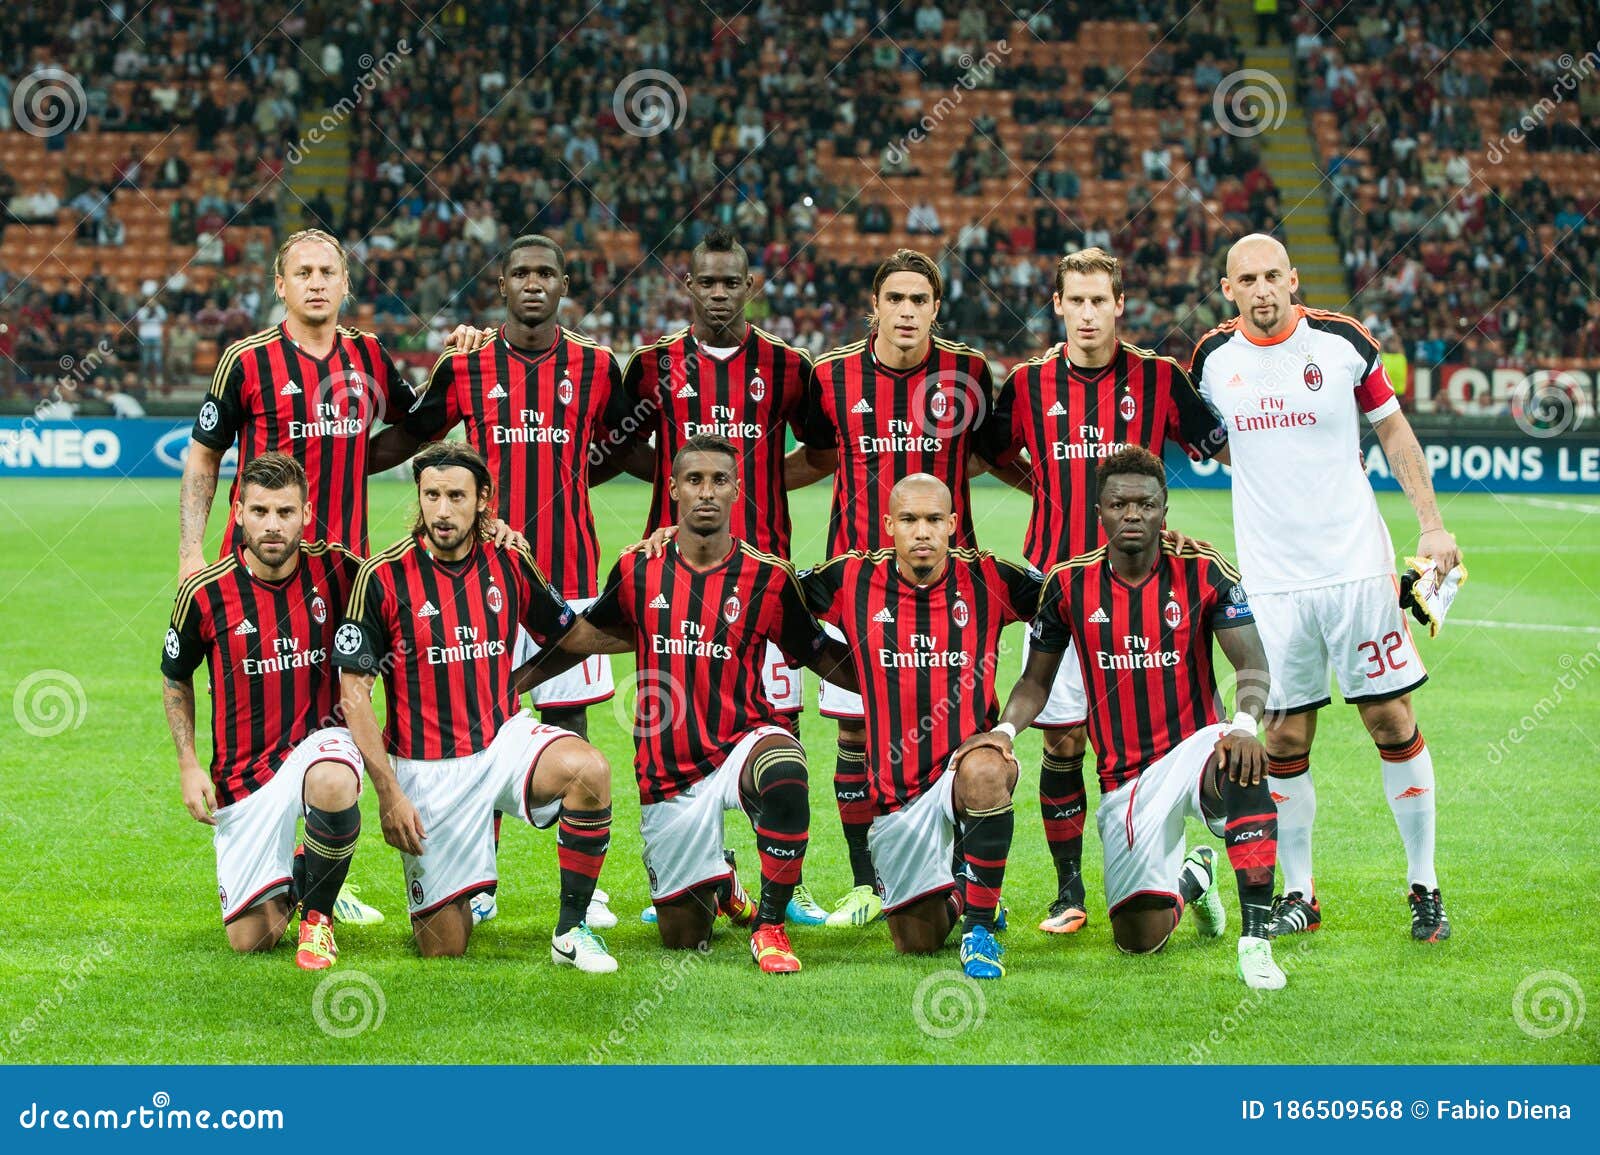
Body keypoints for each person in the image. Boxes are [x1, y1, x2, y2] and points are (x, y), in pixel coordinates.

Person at [1191, 234, 1462, 942]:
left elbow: (1396, 434)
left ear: (1293, 278)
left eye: (1272, 275)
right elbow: (1195, 441)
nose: (1262, 289)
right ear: (1227, 288)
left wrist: (1431, 526)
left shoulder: (1343, 342)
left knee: (1389, 720)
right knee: (1283, 732)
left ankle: (1424, 884)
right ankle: (1300, 893)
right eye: (1246, 279)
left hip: (1355, 568)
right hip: (1274, 581)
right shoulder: (1213, 362)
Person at [369, 233, 628, 927]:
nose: (534, 283)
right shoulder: (469, 362)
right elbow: (418, 430)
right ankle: (478, 877)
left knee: (568, 722)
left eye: (547, 272)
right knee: (480, 728)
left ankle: (583, 886)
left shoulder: (600, 366)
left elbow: (628, 446)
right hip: (478, 583)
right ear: (503, 284)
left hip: (567, 576)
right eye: (521, 273)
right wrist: (337, 456)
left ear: (565, 283)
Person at [957, 447, 1287, 988]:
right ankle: (1194, 877)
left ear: (1164, 510)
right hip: (1125, 780)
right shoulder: (1067, 586)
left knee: (1244, 761)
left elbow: (1252, 663)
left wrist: (1245, 725)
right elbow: (1036, 681)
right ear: (1099, 511)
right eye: (1119, 504)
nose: (1132, 515)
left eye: (1145, 504)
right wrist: (1003, 731)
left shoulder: (1204, 571)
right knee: (1139, 940)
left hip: (1197, 745)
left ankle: (1256, 940)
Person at [532, 436, 857, 971]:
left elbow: (820, 653)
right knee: (684, 936)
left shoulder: (768, 577)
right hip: (668, 769)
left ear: (736, 491)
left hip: (742, 740)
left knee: (784, 766)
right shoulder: (638, 570)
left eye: (719, 481)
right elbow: (583, 638)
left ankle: (771, 925)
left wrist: (901, 685)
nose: (707, 492)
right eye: (694, 481)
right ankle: (721, 878)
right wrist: (511, 682)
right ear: (675, 492)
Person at [991, 246, 1227, 934]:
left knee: (1151, 754)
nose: (1089, 314)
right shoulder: (1029, 382)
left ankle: (1181, 873)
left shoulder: (1160, 378)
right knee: (1062, 744)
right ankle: (1069, 892)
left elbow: (1219, 443)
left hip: (1143, 594)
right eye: (1077, 301)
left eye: (1102, 301)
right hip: (1056, 593)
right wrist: (1044, 490)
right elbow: (993, 452)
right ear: (1057, 305)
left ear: (1120, 305)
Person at [616, 227, 836, 923]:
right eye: (705, 282)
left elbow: (824, 451)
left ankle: (785, 880)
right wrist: (681, 498)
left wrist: (766, 476)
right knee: (685, 725)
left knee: (781, 725)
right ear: (689, 286)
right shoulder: (651, 366)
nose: (717, 294)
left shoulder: (788, 365)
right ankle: (706, 870)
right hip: (681, 580)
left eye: (729, 282)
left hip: (766, 580)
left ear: (749, 286)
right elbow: (620, 448)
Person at [333, 442, 621, 969]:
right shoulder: (381, 577)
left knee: (589, 770)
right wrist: (389, 792)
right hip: (426, 771)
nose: (443, 510)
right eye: (432, 496)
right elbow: (354, 697)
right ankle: (459, 890)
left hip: (502, 741)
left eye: (457, 496)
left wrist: (639, 629)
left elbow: (566, 633)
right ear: (418, 498)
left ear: (483, 499)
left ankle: (572, 930)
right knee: (444, 948)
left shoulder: (510, 560)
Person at [798, 248, 1018, 928]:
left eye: (919, 299)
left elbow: (991, 452)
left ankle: (967, 883)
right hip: (855, 590)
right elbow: (815, 453)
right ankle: (870, 882)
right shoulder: (831, 375)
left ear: (935, 307)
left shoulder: (968, 372)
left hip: (951, 590)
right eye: (895, 297)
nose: (906, 311)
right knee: (858, 735)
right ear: (874, 304)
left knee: (959, 734)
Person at [799, 475, 1038, 979]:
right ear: (889, 526)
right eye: (909, 520)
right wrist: (849, 670)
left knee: (987, 772)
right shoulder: (851, 578)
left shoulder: (989, 577)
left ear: (953, 525)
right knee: (915, 941)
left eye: (934, 520)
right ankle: (965, 894)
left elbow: (1070, 596)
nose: (922, 531)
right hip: (896, 791)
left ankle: (979, 928)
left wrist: (1158, 548)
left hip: (963, 767)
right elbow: (773, 594)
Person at [178, 228, 492, 578]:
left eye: (327, 273)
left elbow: (413, 420)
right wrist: (190, 554)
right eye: (304, 273)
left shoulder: (369, 353)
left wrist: (455, 363)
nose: (316, 283)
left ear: (345, 284)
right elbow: (204, 456)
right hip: (257, 569)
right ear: (281, 286)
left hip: (346, 570)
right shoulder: (246, 360)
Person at [161, 453, 368, 970]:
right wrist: (188, 765)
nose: (272, 525)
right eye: (259, 511)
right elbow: (175, 675)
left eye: (285, 511)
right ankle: (311, 870)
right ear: (237, 512)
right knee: (252, 939)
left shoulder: (339, 569)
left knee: (333, 781)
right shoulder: (205, 592)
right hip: (244, 773)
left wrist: (492, 530)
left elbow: (411, 576)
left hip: (321, 743)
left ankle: (318, 920)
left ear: (306, 513)